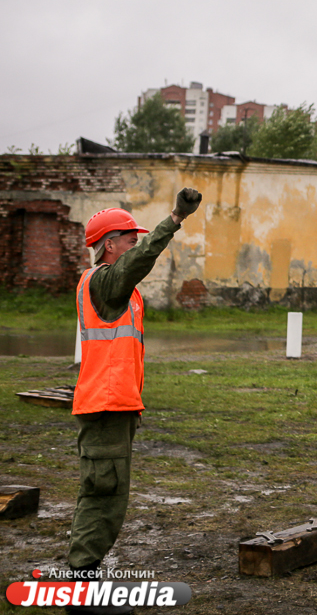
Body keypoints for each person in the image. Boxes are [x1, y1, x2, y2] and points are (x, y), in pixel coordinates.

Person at [67, 188, 202, 615]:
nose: (135, 245)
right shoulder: (104, 282)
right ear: (110, 245)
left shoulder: (111, 288)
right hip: (104, 406)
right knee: (103, 495)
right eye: (129, 239)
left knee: (107, 494)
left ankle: (85, 581)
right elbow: (140, 261)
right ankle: (81, 588)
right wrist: (175, 219)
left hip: (114, 405)